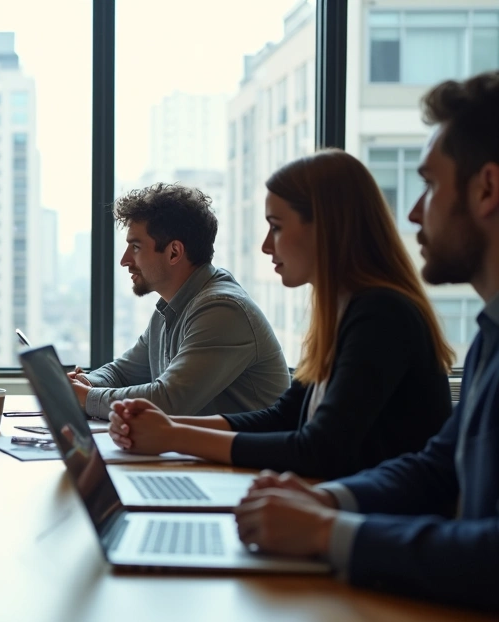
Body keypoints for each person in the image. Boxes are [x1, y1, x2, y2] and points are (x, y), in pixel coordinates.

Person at [233, 71, 499, 611]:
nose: (413, 211)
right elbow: (436, 467)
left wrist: (325, 531)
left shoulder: (383, 313)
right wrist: (323, 499)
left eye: (429, 184)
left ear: (486, 189)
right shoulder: (489, 337)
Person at [107, 151, 454, 480]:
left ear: (326, 228)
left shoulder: (381, 315)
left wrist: (174, 438)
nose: (265, 246)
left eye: (276, 226)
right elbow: (285, 417)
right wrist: (169, 430)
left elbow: (317, 448)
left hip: (381, 523)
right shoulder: (343, 312)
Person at [69, 183, 289, 420]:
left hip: (249, 457)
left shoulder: (222, 310)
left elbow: (168, 401)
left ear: (174, 252)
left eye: (135, 247)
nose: (124, 260)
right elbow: (123, 372)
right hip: (202, 454)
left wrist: (86, 397)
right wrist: (85, 382)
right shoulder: (170, 308)